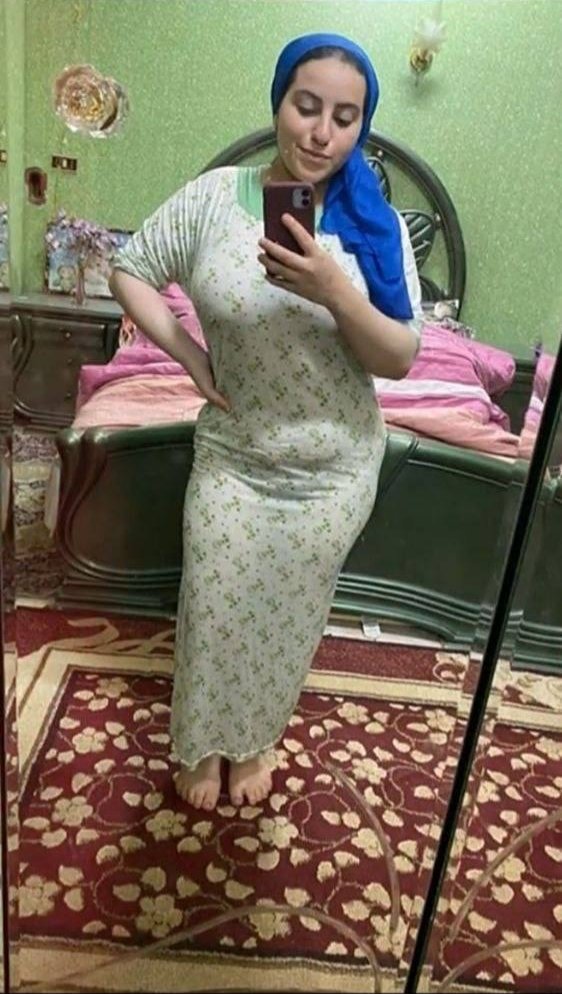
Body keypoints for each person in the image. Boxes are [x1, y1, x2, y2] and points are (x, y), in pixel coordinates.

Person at [109, 32, 423, 813]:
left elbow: (399, 357)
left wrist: (335, 289)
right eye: (306, 106)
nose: (321, 133)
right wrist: (189, 355)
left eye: (344, 118)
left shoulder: (375, 227)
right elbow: (130, 268)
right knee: (216, 603)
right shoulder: (215, 198)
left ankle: (252, 739)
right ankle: (202, 742)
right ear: (279, 100)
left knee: (288, 616)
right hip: (236, 454)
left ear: (362, 125)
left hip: (334, 465)